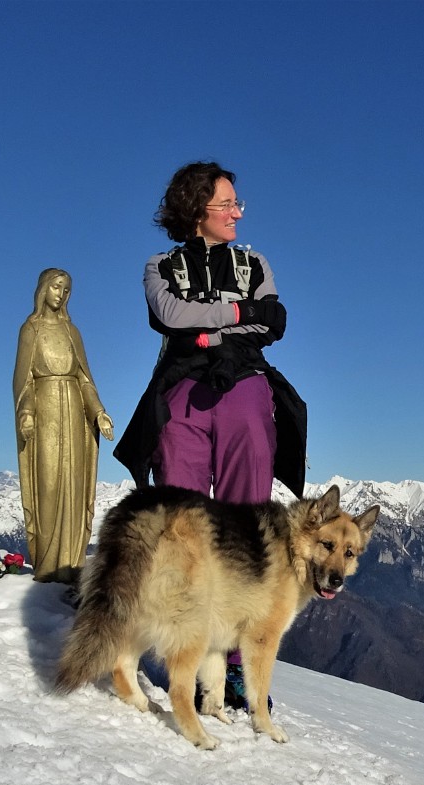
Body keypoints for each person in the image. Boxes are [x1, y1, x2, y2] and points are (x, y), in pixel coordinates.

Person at [114, 161, 308, 709]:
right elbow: (171, 314)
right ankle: (197, 665)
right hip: (182, 387)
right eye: (227, 204)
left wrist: (214, 326)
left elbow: (273, 322)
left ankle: (242, 665)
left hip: (243, 381)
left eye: (237, 203)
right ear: (196, 208)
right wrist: (237, 313)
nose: (238, 213)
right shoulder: (161, 265)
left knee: (248, 522)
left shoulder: (254, 262)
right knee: (184, 522)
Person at [14, 268, 115, 584]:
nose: (62, 295)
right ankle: (46, 564)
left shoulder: (73, 333)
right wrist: (26, 411)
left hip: (74, 412)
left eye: (67, 290)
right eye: (57, 288)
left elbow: (84, 379)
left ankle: (72, 562)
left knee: (74, 482)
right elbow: (23, 378)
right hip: (45, 410)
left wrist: (98, 411)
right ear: (44, 289)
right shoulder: (31, 329)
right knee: (49, 483)